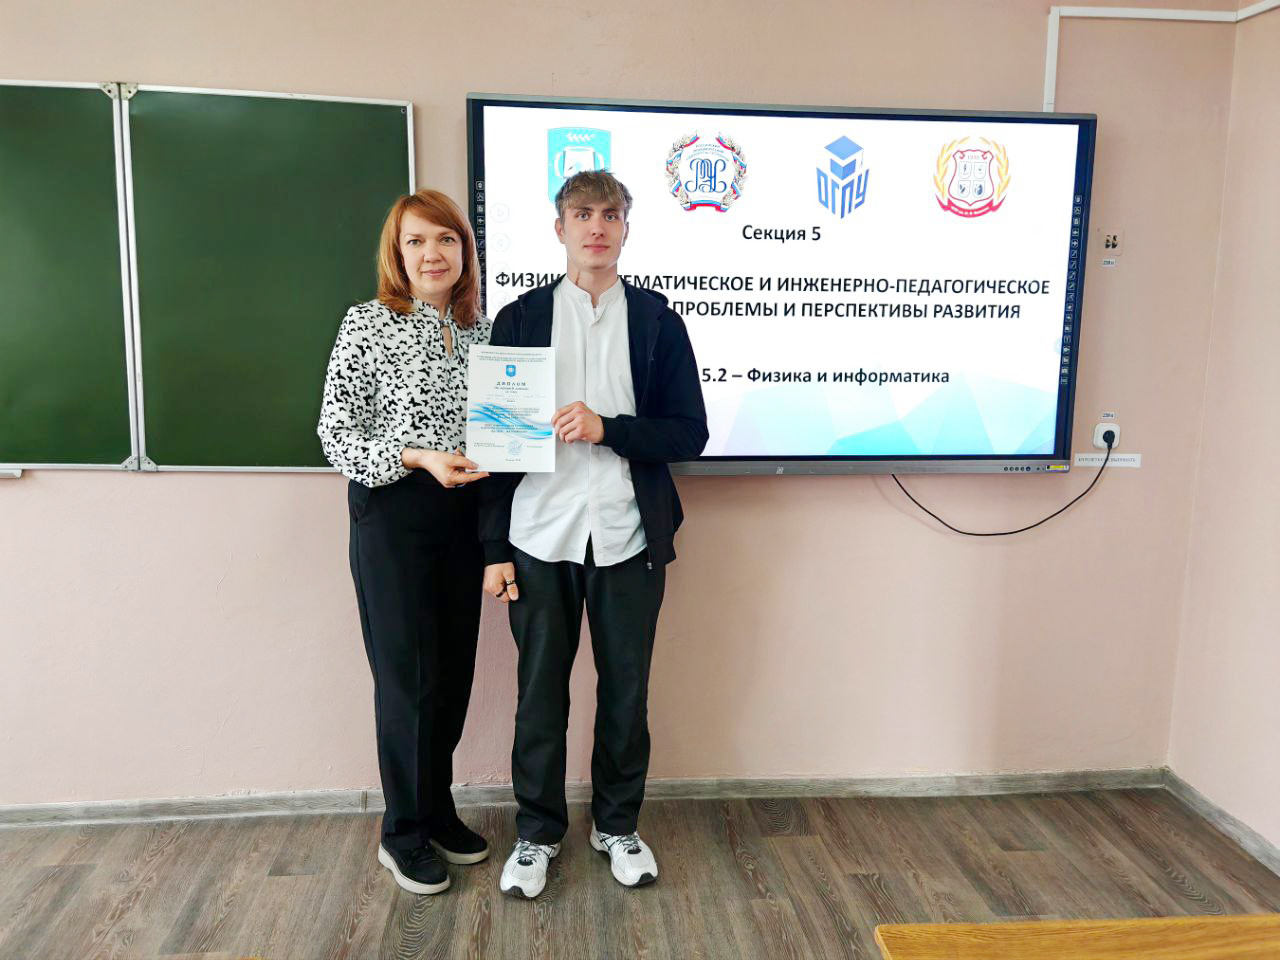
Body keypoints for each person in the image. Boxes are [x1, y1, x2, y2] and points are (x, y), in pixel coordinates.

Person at [479, 170, 708, 899]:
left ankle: (617, 826)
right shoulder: (519, 319)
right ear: (560, 228)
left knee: (626, 693)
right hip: (538, 536)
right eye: (582, 214)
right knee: (539, 695)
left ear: (626, 229)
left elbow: (690, 433)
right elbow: (494, 449)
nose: (597, 227)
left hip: (628, 535)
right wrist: (492, 551)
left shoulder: (660, 323)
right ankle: (537, 833)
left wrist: (610, 429)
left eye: (610, 215)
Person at [317, 188, 491, 896]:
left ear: (464, 252)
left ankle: (438, 811)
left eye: (445, 240)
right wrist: (417, 457)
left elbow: (500, 427)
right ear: (397, 252)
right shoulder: (367, 323)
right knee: (408, 679)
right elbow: (336, 433)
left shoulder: (482, 334)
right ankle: (403, 831)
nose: (432, 254)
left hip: (465, 514)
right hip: (393, 512)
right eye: (416, 241)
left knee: (452, 673)